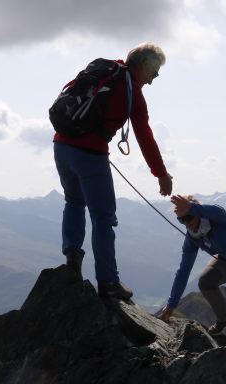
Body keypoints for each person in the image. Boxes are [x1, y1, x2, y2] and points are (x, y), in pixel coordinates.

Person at [53, 43, 173, 300]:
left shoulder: (103, 69)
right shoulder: (132, 93)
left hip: (62, 146)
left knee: (73, 201)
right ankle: (108, 282)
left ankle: (72, 262)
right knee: (103, 218)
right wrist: (161, 174)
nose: (153, 80)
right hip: (90, 154)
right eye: (154, 72)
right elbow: (145, 138)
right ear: (143, 65)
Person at [157, 195, 226, 349]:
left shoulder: (217, 218)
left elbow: (217, 210)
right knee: (205, 282)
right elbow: (183, 271)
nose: (187, 224)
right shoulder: (192, 238)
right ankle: (224, 319)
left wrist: (192, 207)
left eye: (189, 217)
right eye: (182, 220)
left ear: (199, 212)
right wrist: (171, 305)